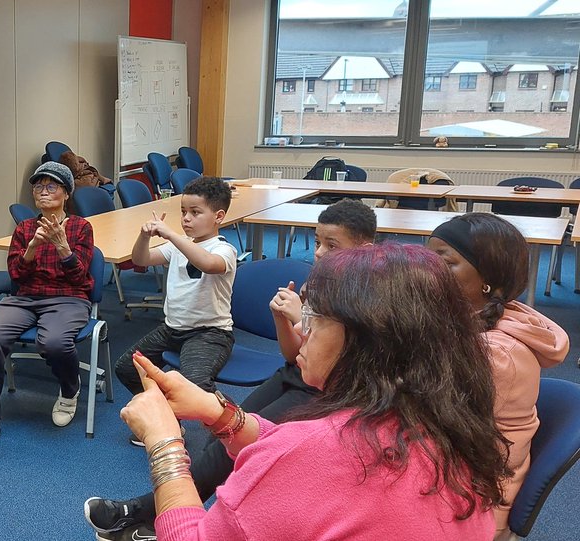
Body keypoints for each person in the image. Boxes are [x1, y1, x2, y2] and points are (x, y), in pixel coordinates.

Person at [119, 243, 508, 540]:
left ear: (364, 339)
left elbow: (302, 461)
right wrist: (219, 413)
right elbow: (309, 465)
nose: (301, 330)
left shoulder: (313, 448)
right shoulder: (449, 422)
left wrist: (165, 443)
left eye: (314, 318)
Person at [85, 199, 377, 539]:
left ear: (364, 249)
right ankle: (162, 517)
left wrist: (301, 318)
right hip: (298, 372)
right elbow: (295, 355)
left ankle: (151, 514)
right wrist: (283, 320)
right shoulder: (318, 285)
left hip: (328, 389)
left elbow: (346, 371)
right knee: (223, 441)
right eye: (316, 243)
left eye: (332, 246)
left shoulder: (370, 301)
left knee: (243, 453)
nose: (320, 254)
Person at [426, 213, 568, 538]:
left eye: (443, 262)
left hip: (474, 505)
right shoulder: (469, 315)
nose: (425, 270)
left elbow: (426, 424)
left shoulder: (495, 354)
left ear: (487, 279)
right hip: (450, 474)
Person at [0, 162, 95, 452]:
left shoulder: (81, 227)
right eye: (38, 186)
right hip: (26, 298)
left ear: (66, 193)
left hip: (68, 298)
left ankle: (70, 389)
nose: (43, 192)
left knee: (53, 342)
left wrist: (62, 246)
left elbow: (80, 277)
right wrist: (30, 248)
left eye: (51, 186)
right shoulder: (25, 228)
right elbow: (16, 277)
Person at [114, 177, 236, 401]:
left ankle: (230, 418)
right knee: (127, 368)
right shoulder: (177, 245)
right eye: (183, 212)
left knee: (195, 383)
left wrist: (171, 234)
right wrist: (144, 236)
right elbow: (140, 259)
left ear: (218, 216)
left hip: (209, 333)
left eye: (195, 212)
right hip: (172, 329)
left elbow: (208, 264)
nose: (186, 218)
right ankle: (167, 414)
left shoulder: (224, 249)